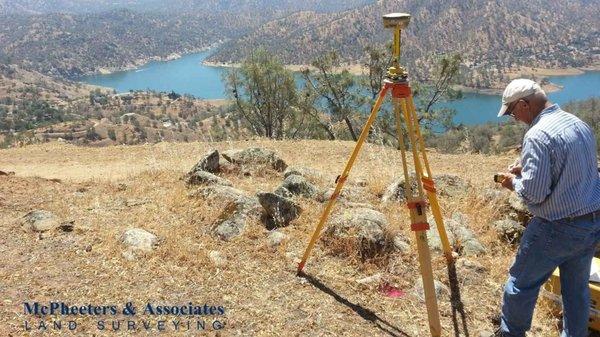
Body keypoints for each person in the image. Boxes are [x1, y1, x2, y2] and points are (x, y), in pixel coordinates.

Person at [495, 79, 600, 337]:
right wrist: (530, 170)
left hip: (556, 228)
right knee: (576, 291)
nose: (514, 118)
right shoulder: (578, 124)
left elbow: (535, 194)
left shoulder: (537, 134)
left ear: (524, 104)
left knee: (520, 285)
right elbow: (578, 172)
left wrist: (514, 182)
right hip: (590, 223)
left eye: (511, 111)